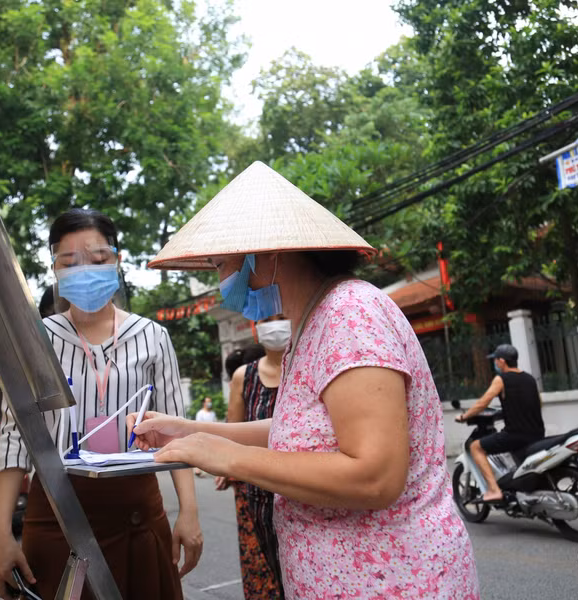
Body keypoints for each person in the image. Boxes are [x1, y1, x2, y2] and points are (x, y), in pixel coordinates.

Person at [130, 161, 479, 598]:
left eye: (222, 264)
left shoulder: (349, 314)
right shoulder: (312, 322)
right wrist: (193, 430)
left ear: (269, 254)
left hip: (394, 582)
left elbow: (376, 476)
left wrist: (230, 458)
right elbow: (302, 435)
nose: (221, 281)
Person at [0, 208, 202, 600]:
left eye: (98, 259)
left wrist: (189, 510)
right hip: (57, 510)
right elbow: (14, 436)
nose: (85, 269)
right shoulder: (34, 339)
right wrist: (0, 533)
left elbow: (175, 429)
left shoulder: (152, 336)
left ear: (117, 261)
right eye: (70, 262)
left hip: (137, 508)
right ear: (55, 269)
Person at [215, 320, 287, 599]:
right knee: (261, 576)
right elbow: (233, 435)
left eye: (280, 316)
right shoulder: (244, 377)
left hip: (301, 486)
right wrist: (222, 463)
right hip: (253, 489)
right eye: (267, 320)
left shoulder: (307, 367)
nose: (276, 326)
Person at [456, 343, 545, 502]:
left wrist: (464, 416)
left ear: (502, 361)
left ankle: (494, 490)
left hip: (515, 435)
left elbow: (483, 403)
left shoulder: (501, 379)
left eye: (495, 360)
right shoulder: (529, 378)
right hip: (537, 434)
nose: (495, 363)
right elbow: (538, 403)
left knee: (475, 446)